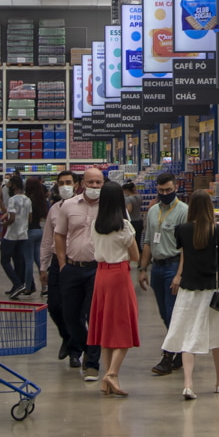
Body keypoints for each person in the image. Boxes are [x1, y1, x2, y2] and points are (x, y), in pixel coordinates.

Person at [162, 189, 219, 400]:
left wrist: (178, 275)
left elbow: (183, 258)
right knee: (218, 335)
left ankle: (188, 384)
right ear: (210, 208)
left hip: (189, 290)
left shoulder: (182, 230)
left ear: (191, 207)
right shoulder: (218, 230)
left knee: (188, 334)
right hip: (214, 291)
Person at [87, 181, 140, 397]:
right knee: (124, 325)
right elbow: (135, 256)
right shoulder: (124, 227)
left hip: (101, 275)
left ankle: (106, 378)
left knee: (106, 327)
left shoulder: (95, 225)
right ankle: (112, 373)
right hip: (119, 275)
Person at [137, 172, 188, 376]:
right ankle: (181, 350)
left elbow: (186, 248)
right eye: (161, 190)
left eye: (168, 190)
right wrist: (142, 268)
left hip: (173, 266)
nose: (165, 194)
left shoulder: (184, 211)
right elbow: (148, 241)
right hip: (157, 268)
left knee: (172, 312)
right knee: (163, 313)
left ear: (175, 188)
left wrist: (179, 274)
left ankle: (167, 357)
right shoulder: (152, 211)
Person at [56, 167, 105, 381]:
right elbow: (59, 234)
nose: (94, 186)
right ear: (82, 183)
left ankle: (92, 363)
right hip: (72, 268)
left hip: (97, 268)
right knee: (71, 317)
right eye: (90, 182)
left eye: (98, 182)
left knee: (94, 316)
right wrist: (62, 263)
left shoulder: (109, 207)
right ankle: (87, 346)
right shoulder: (68, 206)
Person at [41, 171, 77, 359]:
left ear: (76, 184)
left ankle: (75, 351)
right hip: (57, 261)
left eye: (68, 182)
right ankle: (67, 336)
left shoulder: (83, 207)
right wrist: (43, 266)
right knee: (54, 305)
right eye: (61, 183)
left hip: (76, 261)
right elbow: (47, 239)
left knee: (75, 309)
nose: (65, 186)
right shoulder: (54, 209)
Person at [0, 176, 31, 299]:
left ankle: (17, 284)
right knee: (18, 261)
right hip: (23, 234)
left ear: (14, 185)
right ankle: (16, 287)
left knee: (4, 260)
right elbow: (30, 218)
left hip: (11, 235)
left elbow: (12, 217)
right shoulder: (28, 199)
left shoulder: (12, 200)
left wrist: (4, 224)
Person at [22, 177, 49, 296]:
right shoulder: (41, 199)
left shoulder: (28, 200)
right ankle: (44, 287)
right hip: (39, 231)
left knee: (28, 261)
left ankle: (28, 287)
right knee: (40, 261)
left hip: (30, 232)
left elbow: (28, 218)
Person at [123, 182, 144, 250]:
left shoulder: (128, 199)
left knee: (133, 243)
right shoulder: (139, 196)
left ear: (126, 190)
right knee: (138, 242)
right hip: (139, 220)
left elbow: (129, 210)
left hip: (133, 221)